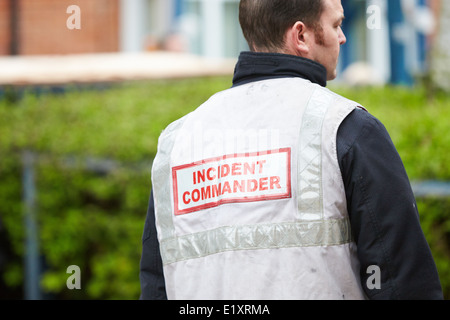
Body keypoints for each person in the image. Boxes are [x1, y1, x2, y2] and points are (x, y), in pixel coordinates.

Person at [140, 0, 443, 300]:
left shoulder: (176, 142)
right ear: (301, 36)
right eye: (336, 24)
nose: (343, 37)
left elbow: (157, 285)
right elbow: (402, 281)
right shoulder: (345, 127)